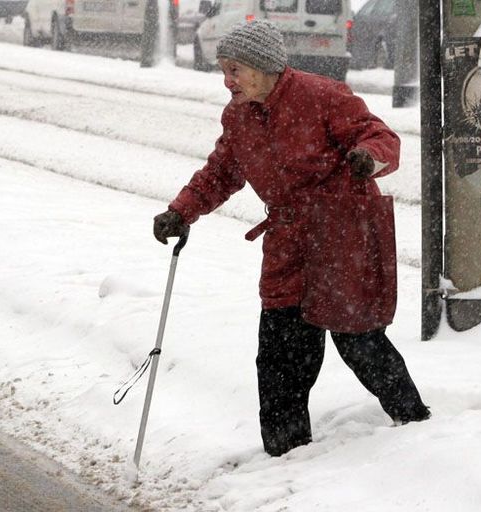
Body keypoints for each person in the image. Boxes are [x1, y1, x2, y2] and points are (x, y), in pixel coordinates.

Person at [153, 20, 430, 457]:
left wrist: (368, 159)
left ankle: (414, 422)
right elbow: (222, 172)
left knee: (358, 339)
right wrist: (180, 210)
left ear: (264, 67)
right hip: (286, 238)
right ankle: (286, 453)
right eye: (224, 70)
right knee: (281, 350)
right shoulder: (239, 115)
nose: (228, 81)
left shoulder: (322, 96)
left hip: (341, 233)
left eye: (235, 70)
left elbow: (380, 137)